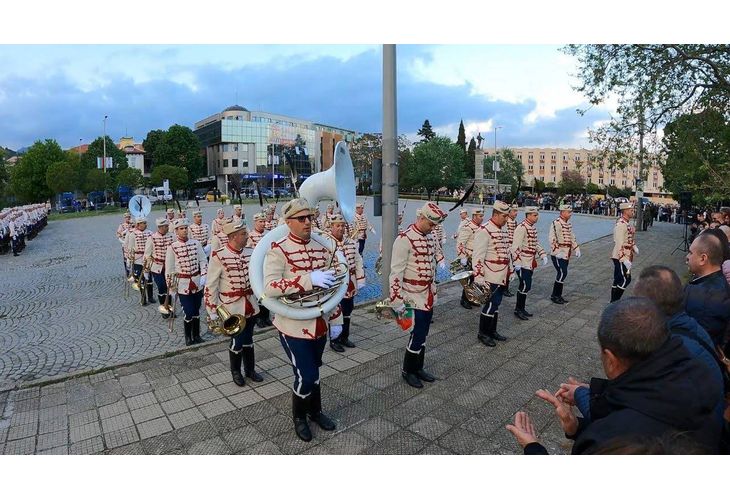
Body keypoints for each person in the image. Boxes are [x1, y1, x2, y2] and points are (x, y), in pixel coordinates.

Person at [506, 298, 724, 454]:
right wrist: (577, 427)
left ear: (610, 358)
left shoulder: (609, 440)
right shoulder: (703, 381)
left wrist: (533, 447)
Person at [263, 199, 341, 442]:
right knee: (305, 375)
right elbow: (270, 286)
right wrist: (308, 279)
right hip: (293, 325)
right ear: (288, 223)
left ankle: (315, 411)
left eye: (310, 217)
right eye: (301, 218)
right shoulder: (278, 250)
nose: (308, 222)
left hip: (319, 322)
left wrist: (336, 317)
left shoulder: (321, 247)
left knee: (315, 371)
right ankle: (299, 417)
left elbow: (332, 287)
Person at [389, 202, 447, 388]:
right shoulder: (404, 239)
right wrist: (397, 301)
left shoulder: (430, 237)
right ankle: (408, 370)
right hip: (412, 296)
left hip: (428, 293)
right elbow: (396, 272)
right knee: (417, 333)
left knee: (423, 334)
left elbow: (432, 260)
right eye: (430, 224)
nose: (433, 228)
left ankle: (419, 367)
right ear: (421, 218)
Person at [205, 221, 263, 386]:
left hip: (250, 303)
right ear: (233, 237)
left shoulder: (252, 252)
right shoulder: (219, 255)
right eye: (244, 234)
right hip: (231, 307)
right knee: (237, 341)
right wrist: (212, 309)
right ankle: (236, 371)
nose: (247, 236)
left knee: (249, 339)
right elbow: (211, 285)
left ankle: (250, 370)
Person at [472, 201, 511, 347]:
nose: (506, 219)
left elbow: (507, 251)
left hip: (501, 274)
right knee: (490, 304)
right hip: (490, 274)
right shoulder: (484, 231)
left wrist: (510, 270)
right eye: (504, 216)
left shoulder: (502, 229)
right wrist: (479, 277)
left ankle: (492, 331)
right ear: (495, 214)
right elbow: (478, 257)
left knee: (497, 304)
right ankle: (483, 333)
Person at [166, 218, 208, 346]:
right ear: (176, 231)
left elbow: (203, 260)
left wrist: (204, 275)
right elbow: (169, 269)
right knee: (188, 311)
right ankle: (188, 337)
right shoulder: (172, 247)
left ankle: (196, 335)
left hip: (196, 281)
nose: (184, 231)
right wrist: (171, 287)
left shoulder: (196, 243)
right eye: (181, 229)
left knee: (196, 309)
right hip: (182, 284)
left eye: (185, 228)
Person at [684, 230, 730, 348]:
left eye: (690, 253)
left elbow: (695, 342)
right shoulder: (717, 282)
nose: (687, 257)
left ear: (703, 259)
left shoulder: (702, 298)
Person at [327, 214, 365, 352]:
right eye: (338, 226)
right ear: (331, 227)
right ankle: (334, 340)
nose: (341, 228)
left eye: (343, 226)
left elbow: (358, 260)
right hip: (336, 284)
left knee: (348, 310)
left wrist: (360, 279)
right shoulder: (326, 243)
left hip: (350, 282)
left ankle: (344, 337)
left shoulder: (351, 242)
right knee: (336, 312)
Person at [510, 206, 548, 320]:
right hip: (523, 261)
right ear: (528, 215)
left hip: (530, 260)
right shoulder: (521, 227)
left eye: (537, 215)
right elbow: (515, 246)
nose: (537, 217)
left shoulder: (531, 227)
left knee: (526, 285)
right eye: (535, 215)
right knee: (525, 285)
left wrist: (542, 253)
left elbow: (535, 243)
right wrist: (517, 262)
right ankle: (518, 309)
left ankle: (521, 308)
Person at [548, 204, 581, 304]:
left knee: (563, 273)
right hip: (558, 253)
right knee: (562, 273)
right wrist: (557, 251)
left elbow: (572, 237)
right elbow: (552, 238)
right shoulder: (556, 223)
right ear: (562, 212)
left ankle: (557, 295)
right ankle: (555, 295)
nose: (570, 214)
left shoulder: (568, 224)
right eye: (568, 212)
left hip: (566, 252)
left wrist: (576, 248)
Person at [246, 212, 272, 328]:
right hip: (257, 268)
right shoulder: (250, 236)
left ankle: (266, 316)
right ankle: (259, 318)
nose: (263, 224)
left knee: (267, 292)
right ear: (255, 222)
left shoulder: (268, 234)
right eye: (260, 222)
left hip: (267, 267)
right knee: (258, 294)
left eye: (263, 221)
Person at [144, 217, 174, 314]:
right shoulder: (152, 238)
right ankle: (163, 308)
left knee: (169, 287)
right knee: (161, 286)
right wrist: (146, 270)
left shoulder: (173, 236)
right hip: (157, 266)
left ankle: (169, 308)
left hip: (169, 266)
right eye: (166, 226)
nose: (168, 228)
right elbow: (147, 254)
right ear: (160, 227)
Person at [610, 202, 638, 303]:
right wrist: (624, 259)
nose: (633, 212)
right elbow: (619, 243)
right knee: (626, 279)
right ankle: (615, 302)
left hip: (627, 254)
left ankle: (612, 302)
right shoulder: (621, 225)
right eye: (631, 210)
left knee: (618, 278)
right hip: (621, 256)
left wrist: (634, 246)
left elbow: (628, 238)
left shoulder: (626, 223)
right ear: (625, 211)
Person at [456, 208, 483, 309]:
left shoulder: (481, 227)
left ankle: (473, 298)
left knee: (476, 279)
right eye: (480, 216)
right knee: (468, 280)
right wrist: (462, 257)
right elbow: (460, 243)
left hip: (478, 257)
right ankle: (464, 299)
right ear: (474, 216)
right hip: (470, 257)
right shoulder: (467, 227)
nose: (482, 218)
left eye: (482, 216)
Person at [125, 216, 153, 304]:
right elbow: (130, 247)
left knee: (149, 278)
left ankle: (151, 296)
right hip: (137, 258)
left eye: (145, 223)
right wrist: (130, 259)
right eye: (143, 223)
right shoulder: (133, 234)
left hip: (148, 258)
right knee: (140, 279)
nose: (145, 224)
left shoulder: (150, 233)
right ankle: (143, 297)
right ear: (138, 224)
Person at [502, 204, 519, 298]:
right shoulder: (506, 222)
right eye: (514, 211)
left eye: (517, 211)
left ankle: (506, 287)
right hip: (507, 248)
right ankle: (504, 288)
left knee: (510, 269)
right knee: (506, 269)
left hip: (513, 248)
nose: (516, 213)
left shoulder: (514, 222)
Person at [116, 211, 133, 277]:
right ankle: (128, 273)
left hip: (132, 243)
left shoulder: (133, 224)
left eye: (129, 217)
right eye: (126, 217)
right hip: (125, 243)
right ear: (124, 218)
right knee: (126, 258)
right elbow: (118, 235)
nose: (128, 218)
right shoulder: (122, 225)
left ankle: (134, 272)